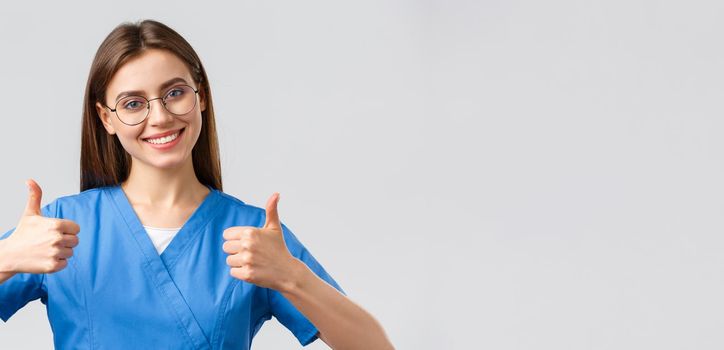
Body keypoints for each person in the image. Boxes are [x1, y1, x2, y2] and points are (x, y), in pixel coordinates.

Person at [0, 19, 394, 350]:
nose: (160, 117)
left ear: (200, 97)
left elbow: (376, 346)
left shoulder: (253, 236)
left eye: (174, 93)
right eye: (134, 103)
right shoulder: (61, 228)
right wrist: (6, 259)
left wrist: (291, 277)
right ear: (106, 118)